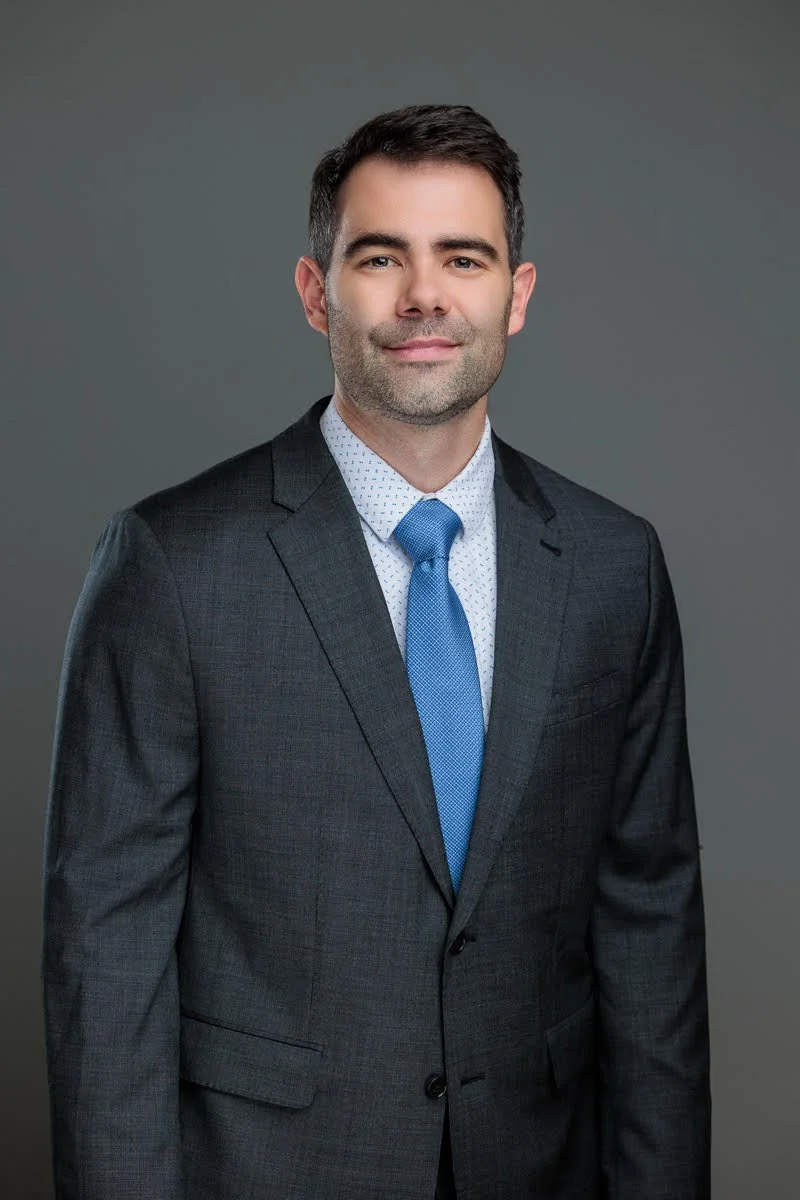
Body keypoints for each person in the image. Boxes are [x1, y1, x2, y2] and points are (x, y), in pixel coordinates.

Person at [42, 103, 711, 1199]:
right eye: (378, 257)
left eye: (462, 256)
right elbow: (102, 959)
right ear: (315, 292)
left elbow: (649, 930)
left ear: (516, 293)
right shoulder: (170, 564)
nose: (423, 296)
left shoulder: (611, 565)